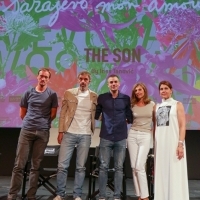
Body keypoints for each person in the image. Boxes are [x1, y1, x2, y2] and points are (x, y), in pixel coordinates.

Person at [7, 68, 58, 200]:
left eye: (46, 77)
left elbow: (53, 114)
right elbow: (22, 113)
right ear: (37, 77)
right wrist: (30, 122)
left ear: (49, 79)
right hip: (27, 131)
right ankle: (12, 195)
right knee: (19, 164)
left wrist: (42, 123)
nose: (43, 79)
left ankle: (31, 195)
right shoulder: (28, 92)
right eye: (41, 76)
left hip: (42, 132)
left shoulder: (52, 94)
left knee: (35, 166)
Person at [54, 71, 98, 200]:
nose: (83, 81)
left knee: (80, 167)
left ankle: (77, 194)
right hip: (69, 133)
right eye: (81, 79)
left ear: (89, 81)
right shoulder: (69, 93)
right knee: (62, 166)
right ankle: (60, 193)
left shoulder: (94, 96)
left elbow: (97, 114)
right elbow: (63, 113)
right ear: (78, 80)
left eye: (86, 79)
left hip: (85, 134)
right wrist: (60, 131)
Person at [95, 74, 133, 200]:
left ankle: (117, 196)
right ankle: (102, 196)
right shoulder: (102, 98)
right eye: (111, 82)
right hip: (106, 136)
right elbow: (96, 114)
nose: (113, 84)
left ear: (119, 83)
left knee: (119, 168)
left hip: (121, 137)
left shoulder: (126, 98)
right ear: (108, 84)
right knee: (103, 167)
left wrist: (122, 122)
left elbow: (130, 116)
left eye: (115, 82)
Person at [153, 80, 189, 200]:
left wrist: (180, 144)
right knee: (162, 173)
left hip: (173, 143)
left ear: (171, 90)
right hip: (161, 145)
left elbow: (182, 125)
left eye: (166, 88)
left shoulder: (177, 104)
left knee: (175, 172)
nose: (163, 91)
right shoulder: (157, 107)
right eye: (161, 89)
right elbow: (156, 127)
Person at [127, 83, 154, 200]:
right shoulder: (132, 105)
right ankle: (139, 195)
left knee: (139, 165)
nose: (138, 92)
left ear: (144, 90)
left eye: (140, 89)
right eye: (136, 90)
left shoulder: (152, 104)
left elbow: (156, 121)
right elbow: (126, 120)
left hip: (145, 135)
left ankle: (145, 196)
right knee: (134, 166)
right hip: (132, 134)